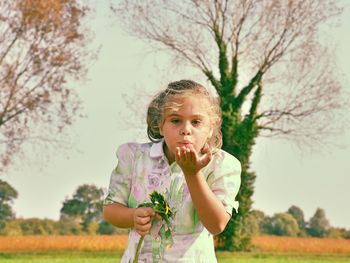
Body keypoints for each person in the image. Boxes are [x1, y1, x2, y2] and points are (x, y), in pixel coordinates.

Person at [103, 80, 241, 262]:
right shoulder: (134, 157)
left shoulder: (221, 165)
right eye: (175, 120)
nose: (185, 130)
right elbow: (111, 208)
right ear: (160, 125)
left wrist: (192, 174)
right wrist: (132, 216)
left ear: (211, 128)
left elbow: (216, 224)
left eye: (196, 122)